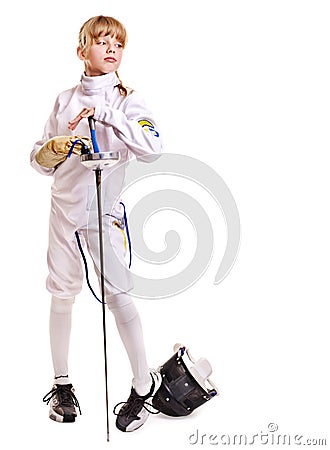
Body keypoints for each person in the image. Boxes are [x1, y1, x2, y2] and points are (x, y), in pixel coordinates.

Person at [30, 15, 162, 432]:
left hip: (103, 218)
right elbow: (38, 161)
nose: (111, 49)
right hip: (62, 215)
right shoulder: (64, 100)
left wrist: (107, 113)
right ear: (81, 49)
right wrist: (51, 150)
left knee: (119, 295)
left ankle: (143, 387)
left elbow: (153, 148)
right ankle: (62, 384)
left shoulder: (128, 101)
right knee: (62, 295)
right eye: (102, 42)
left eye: (117, 44)